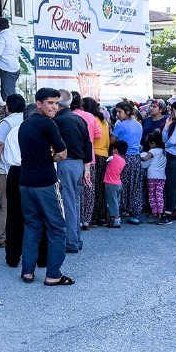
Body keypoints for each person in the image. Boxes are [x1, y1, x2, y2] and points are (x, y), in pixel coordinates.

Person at [18, 88, 74, 286]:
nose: (54, 107)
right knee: (57, 228)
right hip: (45, 183)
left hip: (25, 183)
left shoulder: (24, 125)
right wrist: (49, 157)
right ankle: (53, 274)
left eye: (56, 103)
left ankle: (27, 272)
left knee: (32, 227)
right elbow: (63, 154)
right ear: (38, 103)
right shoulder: (48, 124)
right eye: (50, 103)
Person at [53, 90, 92, 253]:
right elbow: (88, 143)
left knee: (67, 203)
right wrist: (87, 168)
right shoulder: (79, 119)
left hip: (65, 163)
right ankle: (75, 238)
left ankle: (71, 241)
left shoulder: (58, 120)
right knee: (74, 202)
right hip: (78, 164)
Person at [0, 93, 26, 249]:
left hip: (5, 169)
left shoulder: (6, 123)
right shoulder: (27, 119)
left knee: (1, 203)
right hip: (24, 168)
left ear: (8, 107)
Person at [71, 92, 101, 231]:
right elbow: (98, 135)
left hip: (71, 158)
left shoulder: (66, 116)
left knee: (74, 190)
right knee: (88, 188)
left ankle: (74, 218)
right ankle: (86, 220)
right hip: (90, 157)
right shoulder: (89, 116)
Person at [113, 101, 144, 225]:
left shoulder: (120, 126)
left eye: (119, 112)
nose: (117, 115)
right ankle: (134, 213)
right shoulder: (138, 125)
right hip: (136, 158)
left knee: (121, 185)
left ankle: (121, 210)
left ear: (127, 111)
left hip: (123, 158)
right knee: (135, 186)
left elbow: (112, 141)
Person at [84, 97, 111, 227]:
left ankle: (93, 216)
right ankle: (102, 216)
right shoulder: (104, 120)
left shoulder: (90, 119)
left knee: (92, 187)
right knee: (101, 187)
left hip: (95, 154)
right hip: (104, 155)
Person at [0, 18, 20, 101]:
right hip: (14, 67)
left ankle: (13, 112)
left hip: (8, 69)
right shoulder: (13, 35)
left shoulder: (2, 36)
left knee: (8, 97)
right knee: (10, 94)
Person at [141, 131, 167, 222]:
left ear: (153, 143)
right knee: (159, 194)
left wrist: (139, 157)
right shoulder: (164, 151)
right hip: (162, 176)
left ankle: (154, 212)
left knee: (152, 195)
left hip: (152, 176)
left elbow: (145, 158)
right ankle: (160, 212)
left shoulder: (152, 151)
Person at [104, 141, 127, 228]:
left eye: (113, 149)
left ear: (116, 150)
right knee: (116, 202)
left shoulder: (113, 157)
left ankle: (116, 220)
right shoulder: (123, 160)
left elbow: (107, 161)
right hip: (118, 183)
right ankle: (114, 219)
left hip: (110, 183)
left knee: (112, 202)